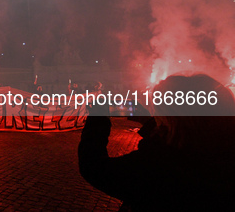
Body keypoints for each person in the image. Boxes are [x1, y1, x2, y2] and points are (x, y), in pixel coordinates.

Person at [78, 73, 235, 211]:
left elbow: (94, 167)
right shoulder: (222, 156)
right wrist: (149, 122)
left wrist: (97, 118)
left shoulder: (157, 166)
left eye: (158, 111)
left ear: (172, 117)